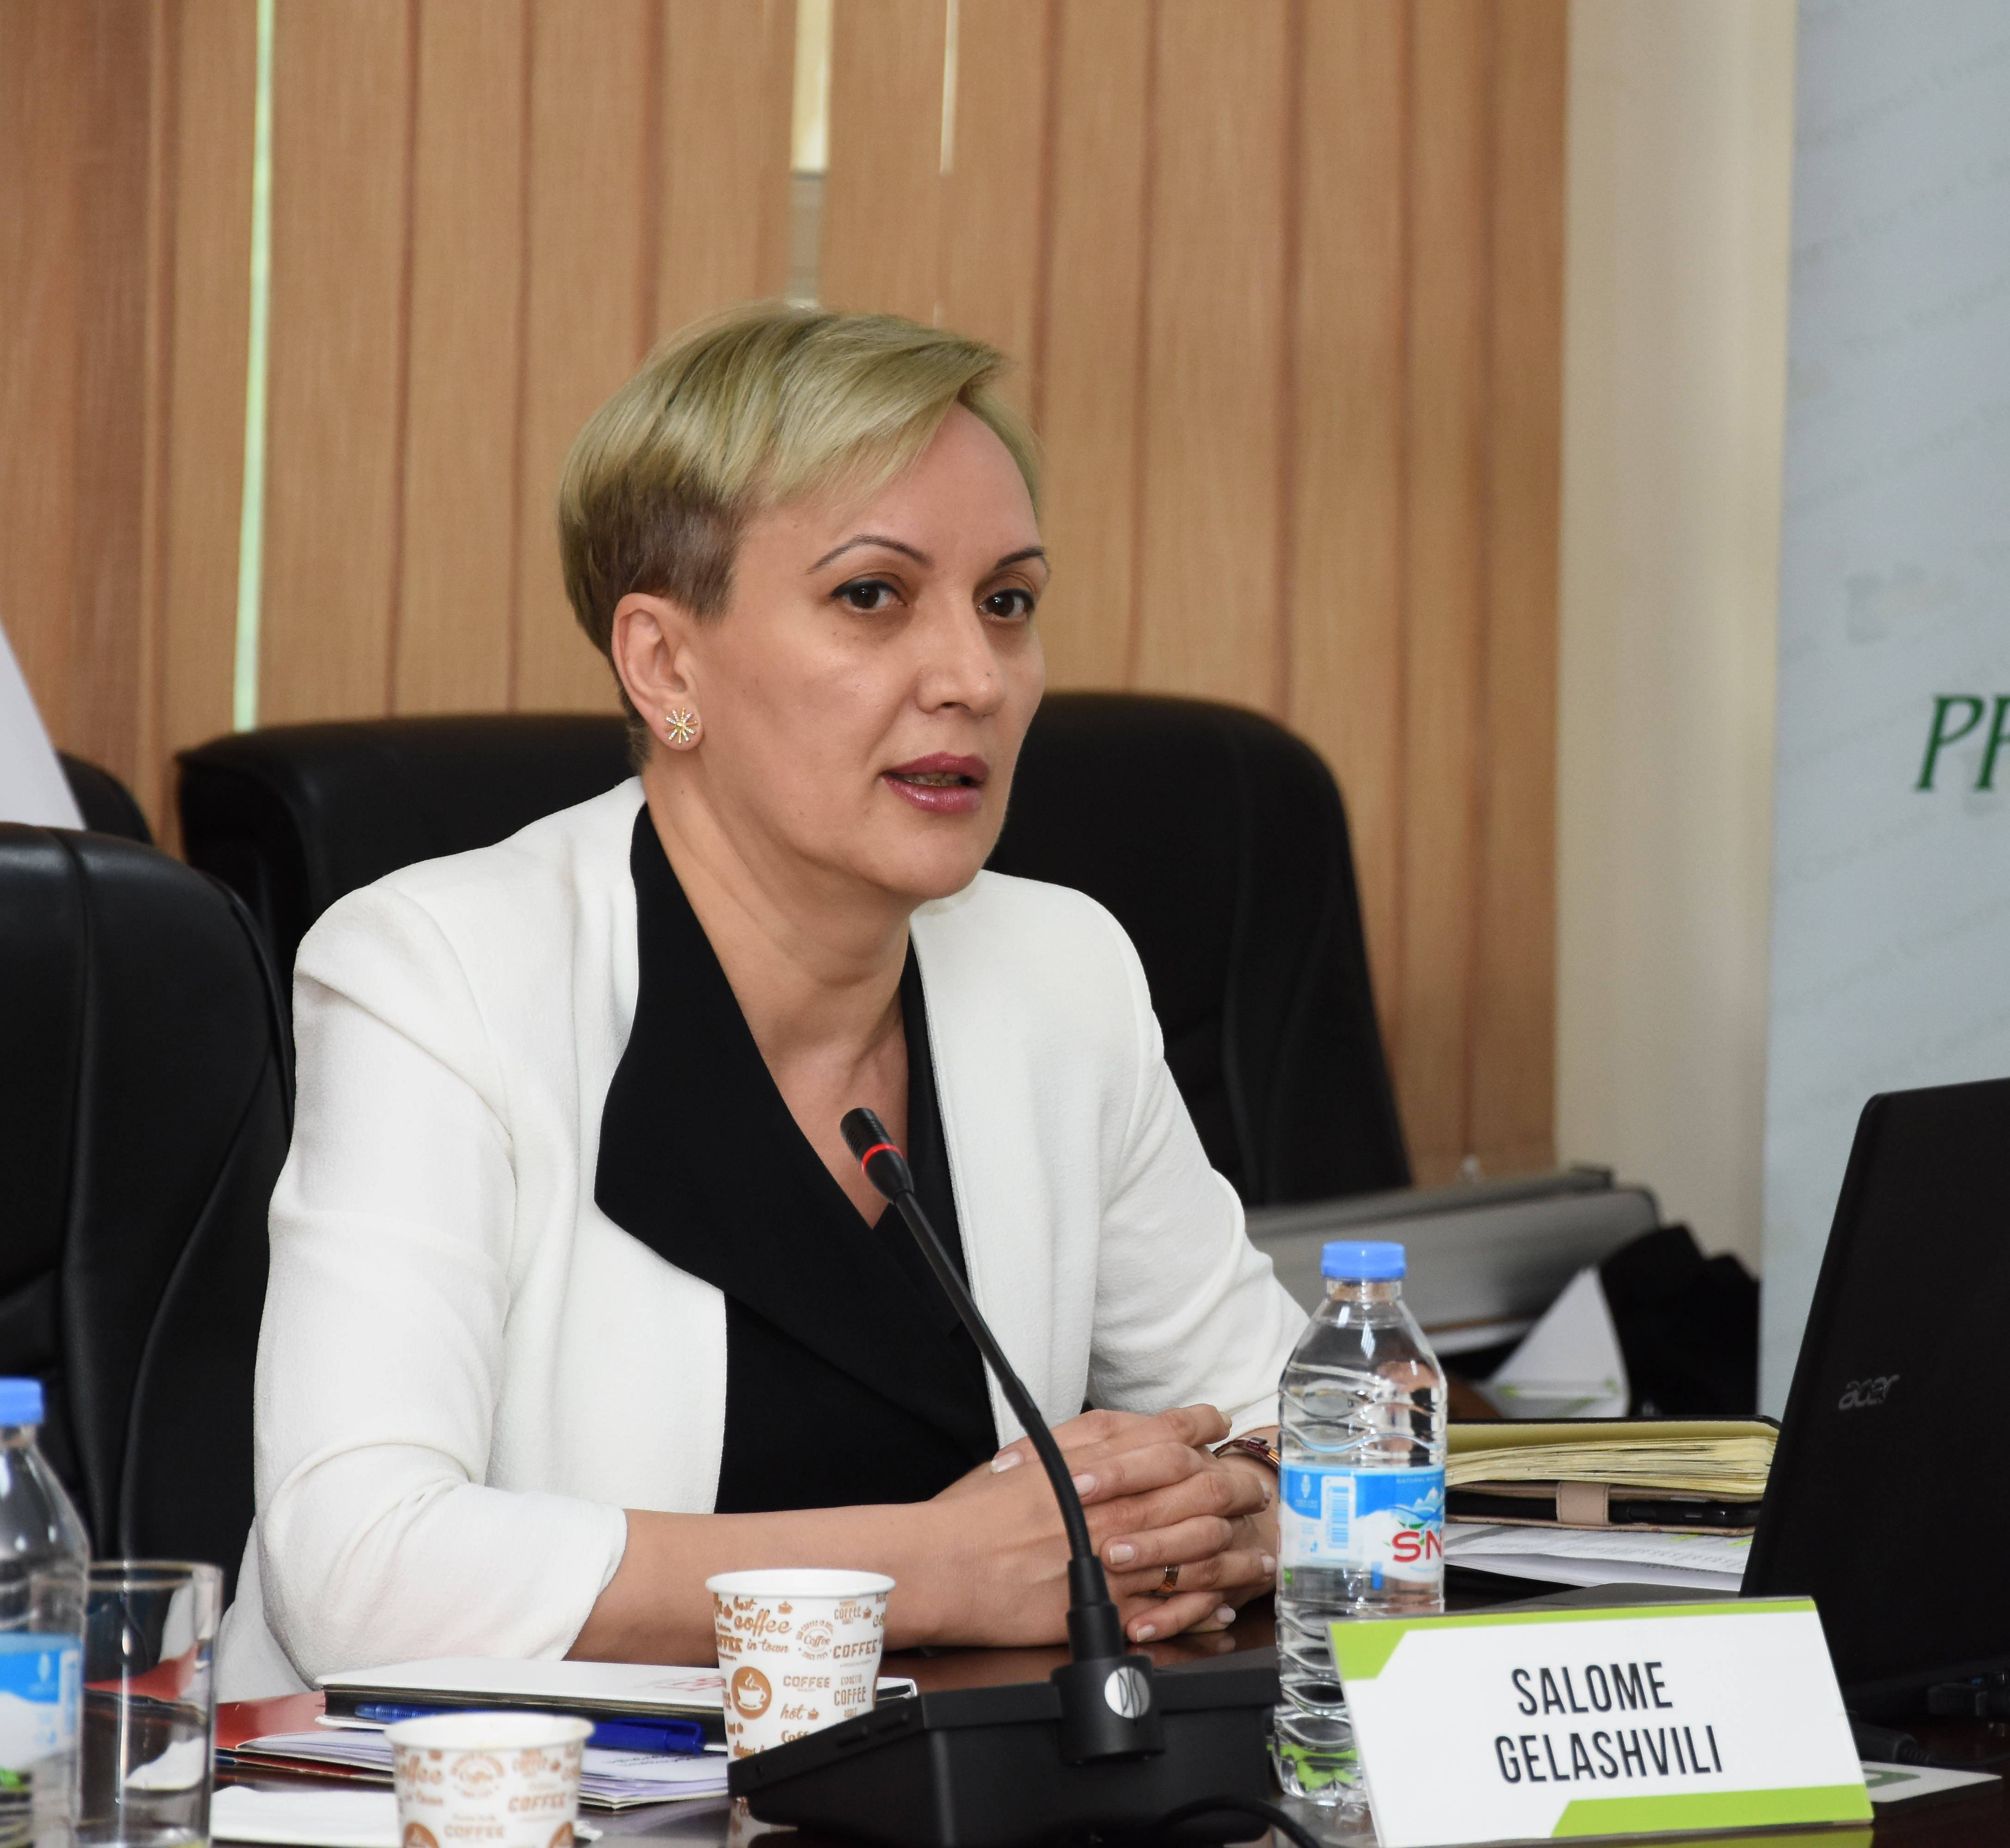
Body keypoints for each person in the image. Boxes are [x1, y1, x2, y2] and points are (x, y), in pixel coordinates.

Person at [215, 306, 1306, 1696]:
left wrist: (1239, 1522)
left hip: (940, 1782)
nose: (975, 678)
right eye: (874, 597)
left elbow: (1305, 1422)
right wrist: (941, 1569)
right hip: (495, 1792)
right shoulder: (435, 974)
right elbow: (360, 1573)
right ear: (665, 665)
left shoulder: (1059, 970)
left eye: (1008, 603)